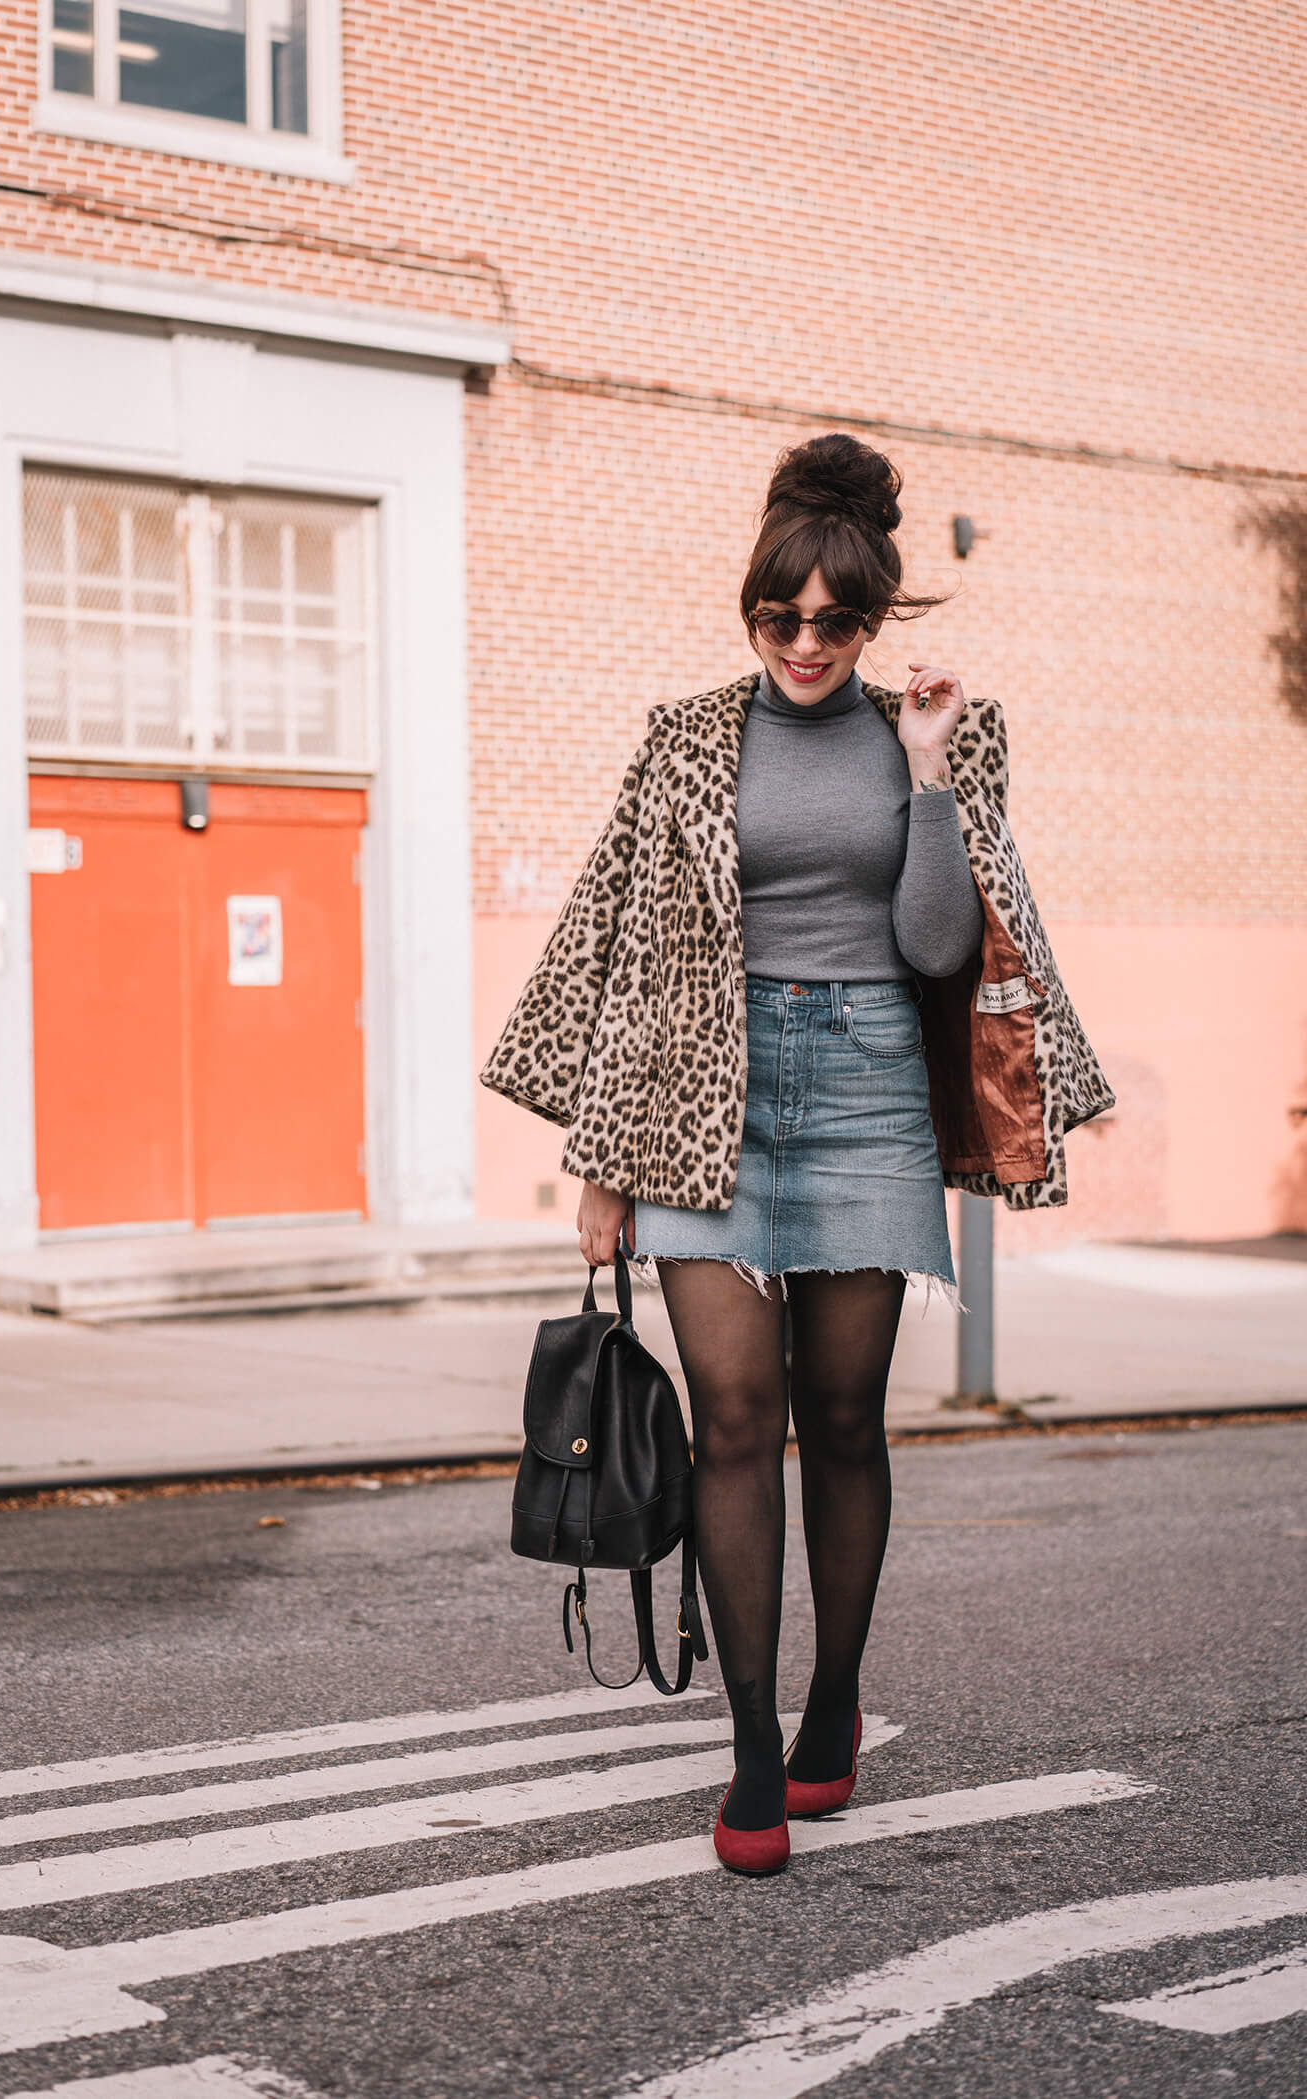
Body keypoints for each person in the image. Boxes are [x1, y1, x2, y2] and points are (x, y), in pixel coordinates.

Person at [480, 433, 1115, 1876]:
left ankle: (837, 1701)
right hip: (711, 1096)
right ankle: (755, 1746)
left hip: (872, 1089)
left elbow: (943, 944)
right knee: (732, 1414)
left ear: (874, 615)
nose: (808, 641)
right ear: (752, 607)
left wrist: (935, 774)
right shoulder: (688, 739)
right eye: (782, 615)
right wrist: (604, 1166)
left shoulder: (932, 733)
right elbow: (631, 946)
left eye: (837, 617)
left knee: (840, 1418)